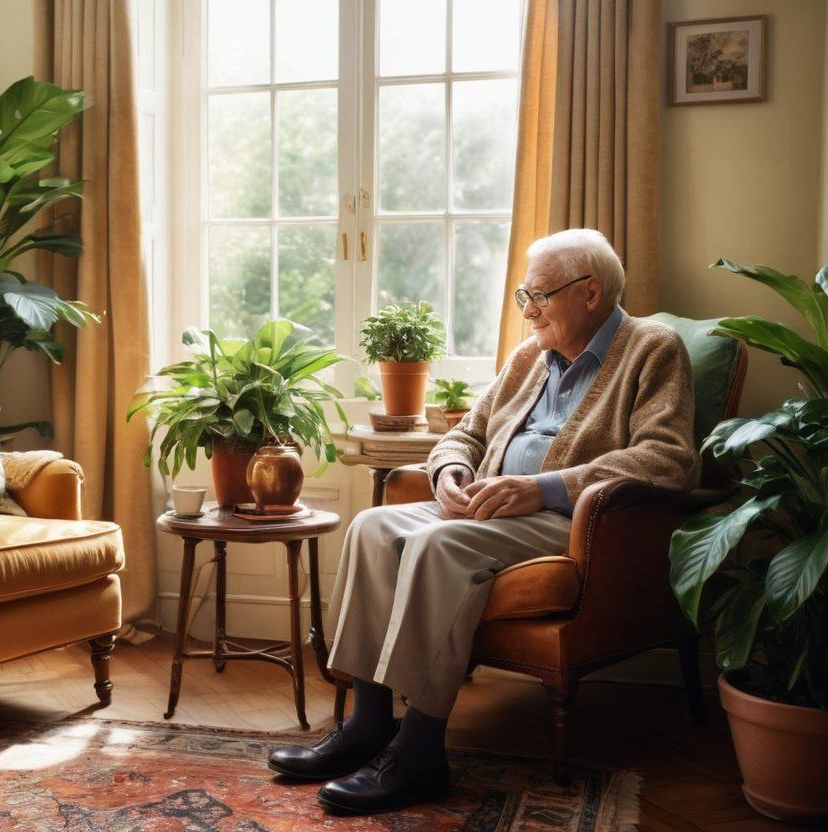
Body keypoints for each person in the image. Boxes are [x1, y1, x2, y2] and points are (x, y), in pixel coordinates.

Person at [267, 228, 698, 814]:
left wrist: (542, 487)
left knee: (438, 548)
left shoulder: (653, 348)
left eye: (538, 295)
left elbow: (668, 458)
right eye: (524, 294)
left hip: (569, 523)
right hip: (481, 507)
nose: (526, 310)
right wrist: (448, 472)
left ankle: (419, 751)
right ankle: (369, 724)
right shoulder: (529, 357)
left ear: (590, 292)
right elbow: (464, 433)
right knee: (372, 526)